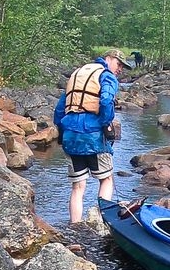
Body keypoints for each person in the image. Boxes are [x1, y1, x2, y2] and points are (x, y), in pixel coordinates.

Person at [53, 48, 133, 223]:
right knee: (106, 179)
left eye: (122, 67)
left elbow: (60, 109)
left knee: (78, 186)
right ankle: (101, 221)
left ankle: (76, 226)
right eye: (119, 64)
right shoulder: (107, 76)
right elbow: (105, 101)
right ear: (108, 59)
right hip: (93, 136)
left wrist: (61, 132)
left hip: (70, 136)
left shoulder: (77, 75)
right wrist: (106, 123)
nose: (120, 69)